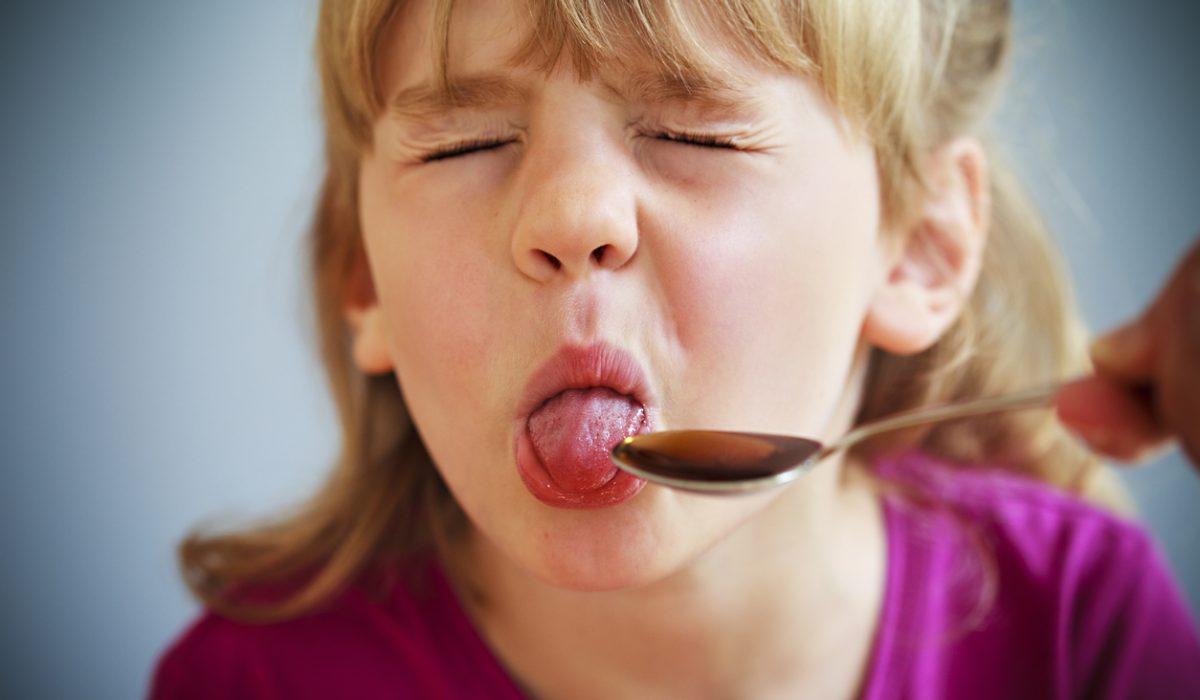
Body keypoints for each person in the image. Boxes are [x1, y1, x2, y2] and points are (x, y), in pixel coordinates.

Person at [150, 0, 1200, 697]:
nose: (569, 216)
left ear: (918, 248)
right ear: (365, 278)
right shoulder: (254, 679)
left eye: (697, 135)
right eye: (466, 142)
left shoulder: (1076, 628)